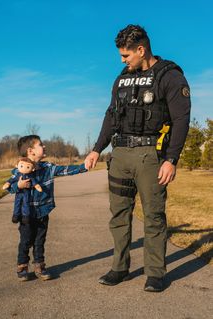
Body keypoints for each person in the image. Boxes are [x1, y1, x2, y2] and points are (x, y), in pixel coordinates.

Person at [85, 24, 191, 292]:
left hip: (150, 156)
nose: (122, 60)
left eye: (126, 55)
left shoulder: (170, 76)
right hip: (119, 155)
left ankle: (155, 273)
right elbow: (111, 116)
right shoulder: (121, 79)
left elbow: (181, 120)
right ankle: (119, 268)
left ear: (141, 49)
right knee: (118, 214)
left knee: (154, 214)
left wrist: (171, 159)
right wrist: (98, 148)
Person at [8, 135, 87, 281]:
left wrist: (84, 166)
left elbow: (66, 170)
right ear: (30, 150)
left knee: (40, 240)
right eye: (41, 144)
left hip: (43, 211)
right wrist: (17, 186)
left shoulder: (48, 168)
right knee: (25, 241)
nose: (44, 146)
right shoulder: (20, 169)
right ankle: (22, 266)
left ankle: (39, 266)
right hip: (26, 214)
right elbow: (10, 187)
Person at [3, 157, 43, 224]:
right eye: (21, 166)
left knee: (26, 204)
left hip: (26, 193)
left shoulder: (30, 176)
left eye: (28, 167)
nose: (24, 168)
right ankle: (16, 215)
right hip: (19, 193)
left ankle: (26, 217)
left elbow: (34, 182)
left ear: (32, 168)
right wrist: (7, 183)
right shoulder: (18, 175)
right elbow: (12, 180)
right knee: (17, 204)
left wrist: (37, 186)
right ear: (17, 166)